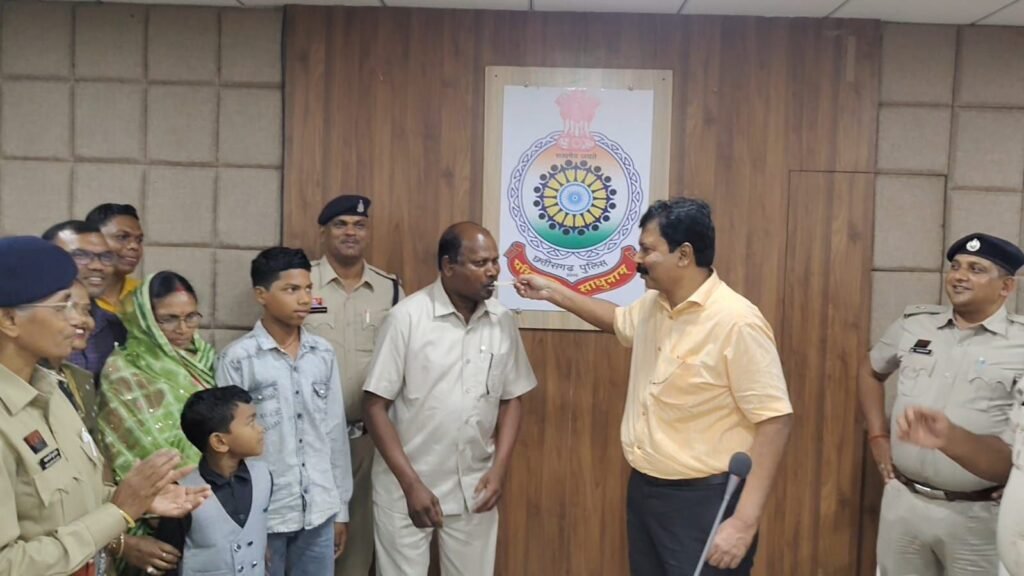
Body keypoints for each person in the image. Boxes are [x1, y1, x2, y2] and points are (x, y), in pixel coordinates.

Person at [514, 198, 793, 575]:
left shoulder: (737, 322)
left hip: (705, 501)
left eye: (647, 249)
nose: (637, 259)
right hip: (646, 493)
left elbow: (775, 421)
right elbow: (616, 320)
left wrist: (743, 522)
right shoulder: (653, 306)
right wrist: (552, 290)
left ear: (684, 255)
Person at [0, 236, 210, 576]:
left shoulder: (54, 392)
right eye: (62, 307)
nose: (81, 321)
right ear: (9, 320)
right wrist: (118, 513)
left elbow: (71, 496)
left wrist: (136, 499)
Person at [364, 222, 537, 576]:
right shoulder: (406, 319)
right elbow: (374, 406)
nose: (493, 271)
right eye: (480, 263)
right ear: (448, 266)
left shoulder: (502, 321)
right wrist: (410, 484)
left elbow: (512, 399)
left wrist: (499, 470)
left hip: (475, 487)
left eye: (495, 261)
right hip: (408, 486)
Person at [861, 232, 1024, 576]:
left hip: (979, 516)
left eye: (976, 269)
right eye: (956, 266)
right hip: (903, 503)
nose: (960, 276)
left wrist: (951, 439)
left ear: (1006, 287)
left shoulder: (1020, 344)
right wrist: (877, 436)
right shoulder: (915, 324)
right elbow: (870, 371)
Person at [216, 247, 353, 576]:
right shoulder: (238, 359)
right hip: (265, 513)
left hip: (320, 510)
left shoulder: (323, 353)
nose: (304, 299)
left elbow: (334, 433)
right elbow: (228, 450)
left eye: (307, 288)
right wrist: (244, 522)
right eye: (291, 289)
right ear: (261, 295)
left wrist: (341, 510)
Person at [305, 194, 403, 575]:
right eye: (341, 225)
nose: (351, 232)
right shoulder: (300, 282)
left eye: (359, 225)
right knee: (305, 547)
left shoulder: (389, 289)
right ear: (323, 233)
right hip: (309, 440)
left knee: (357, 552)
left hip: (367, 441)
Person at [98, 271, 217, 575]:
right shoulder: (123, 368)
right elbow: (121, 443)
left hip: (212, 497)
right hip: (153, 510)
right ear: (146, 319)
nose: (182, 328)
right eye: (169, 319)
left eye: (191, 317)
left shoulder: (205, 359)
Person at [154, 386, 271, 576]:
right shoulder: (182, 495)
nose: (260, 429)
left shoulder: (263, 476)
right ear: (219, 442)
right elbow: (167, 562)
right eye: (250, 423)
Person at [43, 219, 127, 379]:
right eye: (80, 255)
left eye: (105, 257)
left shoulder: (117, 328)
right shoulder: (28, 324)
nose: (97, 266)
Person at [85, 204, 145, 315]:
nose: (134, 246)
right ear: (93, 239)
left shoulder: (144, 294)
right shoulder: (72, 294)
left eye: (139, 240)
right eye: (122, 237)